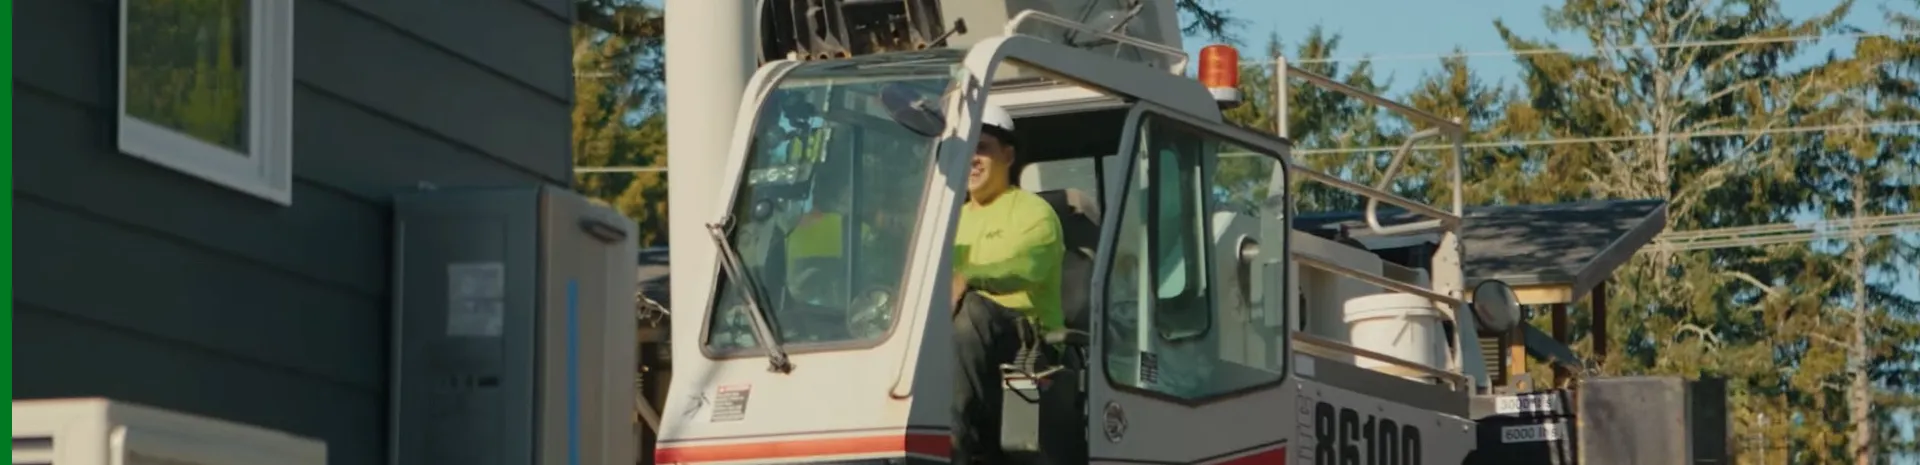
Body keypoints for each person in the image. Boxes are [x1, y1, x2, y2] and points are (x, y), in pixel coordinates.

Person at [950, 104, 1066, 464]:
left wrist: (968, 277)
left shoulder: (1034, 213)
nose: (971, 158)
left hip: (1026, 347)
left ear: (1008, 155)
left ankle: (953, 448)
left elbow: (1027, 267)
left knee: (972, 312)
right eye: (964, 147)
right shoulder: (946, 219)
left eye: (981, 147)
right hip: (962, 343)